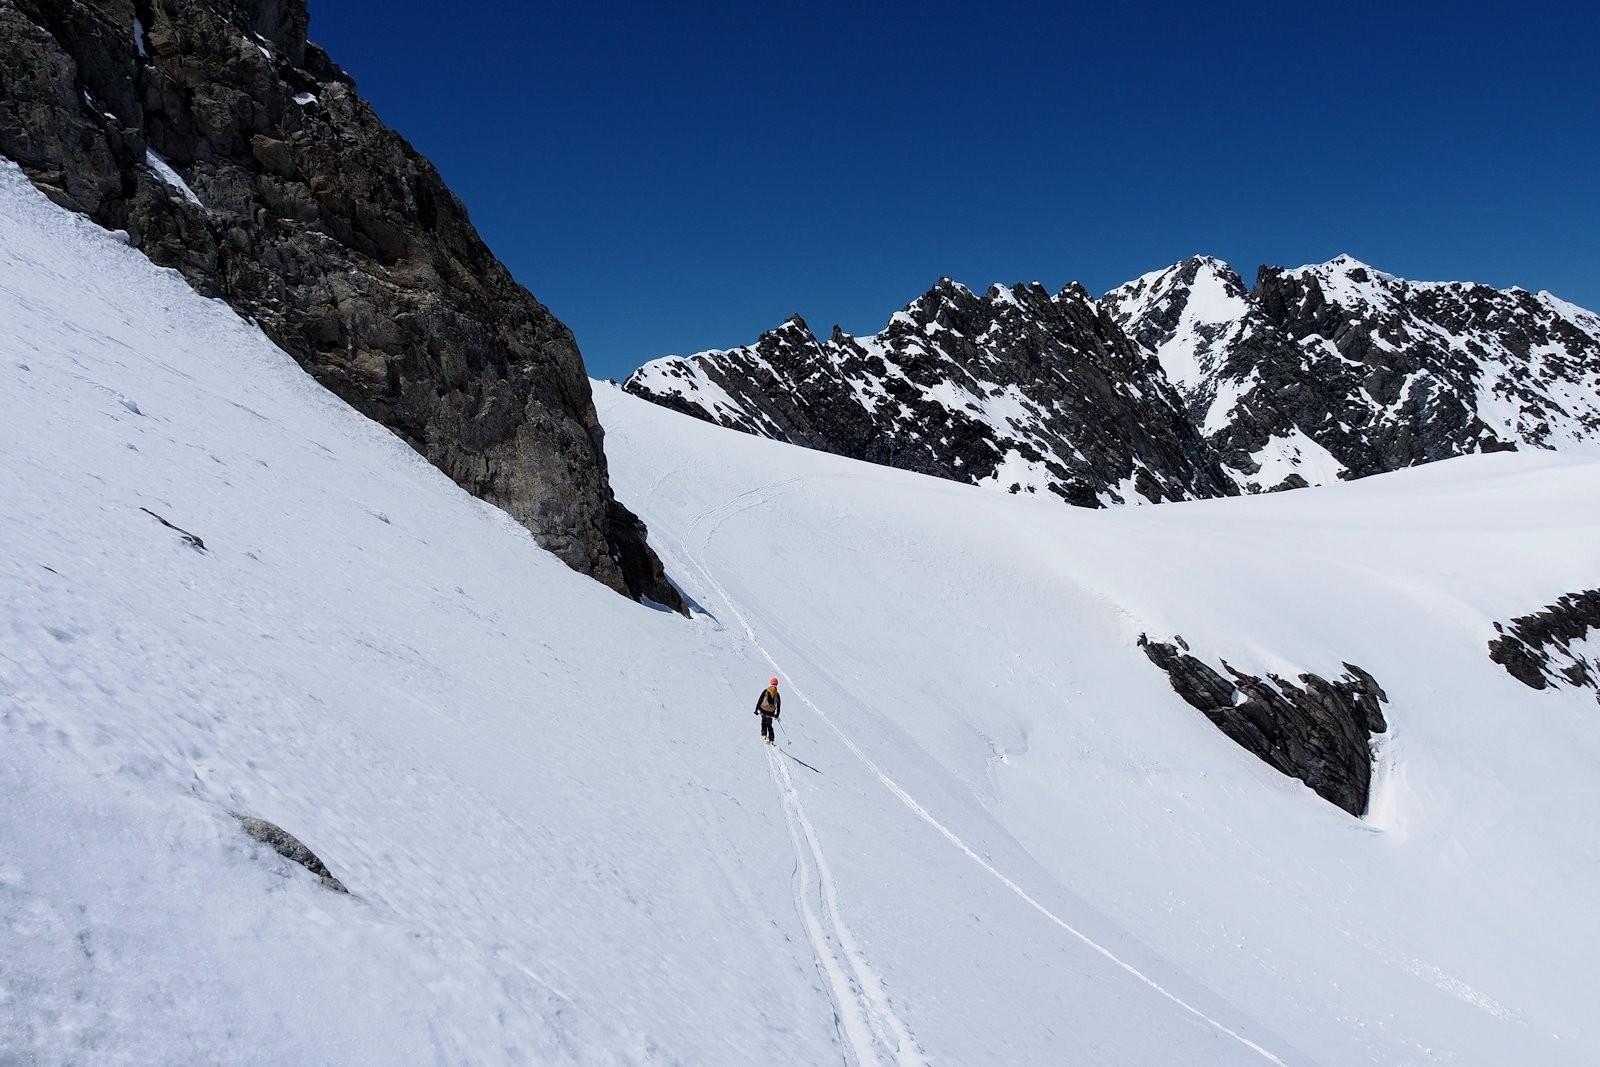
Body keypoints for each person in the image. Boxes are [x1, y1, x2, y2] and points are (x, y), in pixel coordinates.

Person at [754, 677, 781, 745]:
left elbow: (760, 700)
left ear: (770, 683)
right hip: (771, 712)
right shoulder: (777, 694)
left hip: (763, 710)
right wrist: (777, 715)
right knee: (769, 724)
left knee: (763, 722)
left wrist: (756, 709)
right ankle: (771, 739)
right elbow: (778, 705)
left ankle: (764, 735)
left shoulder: (766, 691)